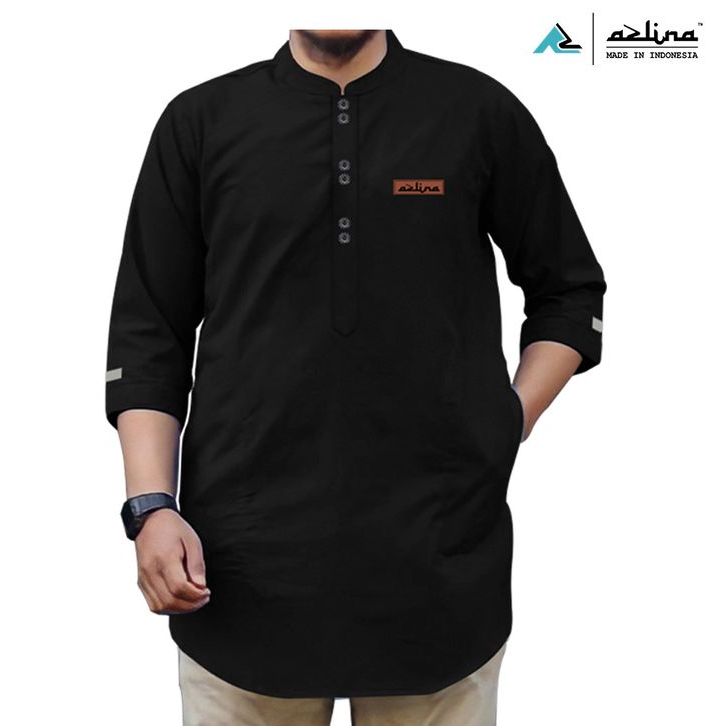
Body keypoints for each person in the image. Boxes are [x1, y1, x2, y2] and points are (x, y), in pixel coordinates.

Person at [105, 29, 607, 725]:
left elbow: (570, 291)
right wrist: (151, 506)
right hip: (240, 569)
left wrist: (506, 419)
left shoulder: (476, 111)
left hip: (439, 566)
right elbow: (148, 332)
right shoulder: (201, 121)